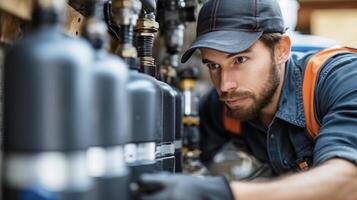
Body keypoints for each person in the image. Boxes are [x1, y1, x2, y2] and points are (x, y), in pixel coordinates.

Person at [137, 0, 357, 199]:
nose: (225, 85)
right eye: (214, 65)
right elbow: (182, 157)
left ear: (281, 50)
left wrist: (221, 193)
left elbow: (349, 181)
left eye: (239, 59)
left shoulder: (341, 79)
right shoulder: (225, 105)